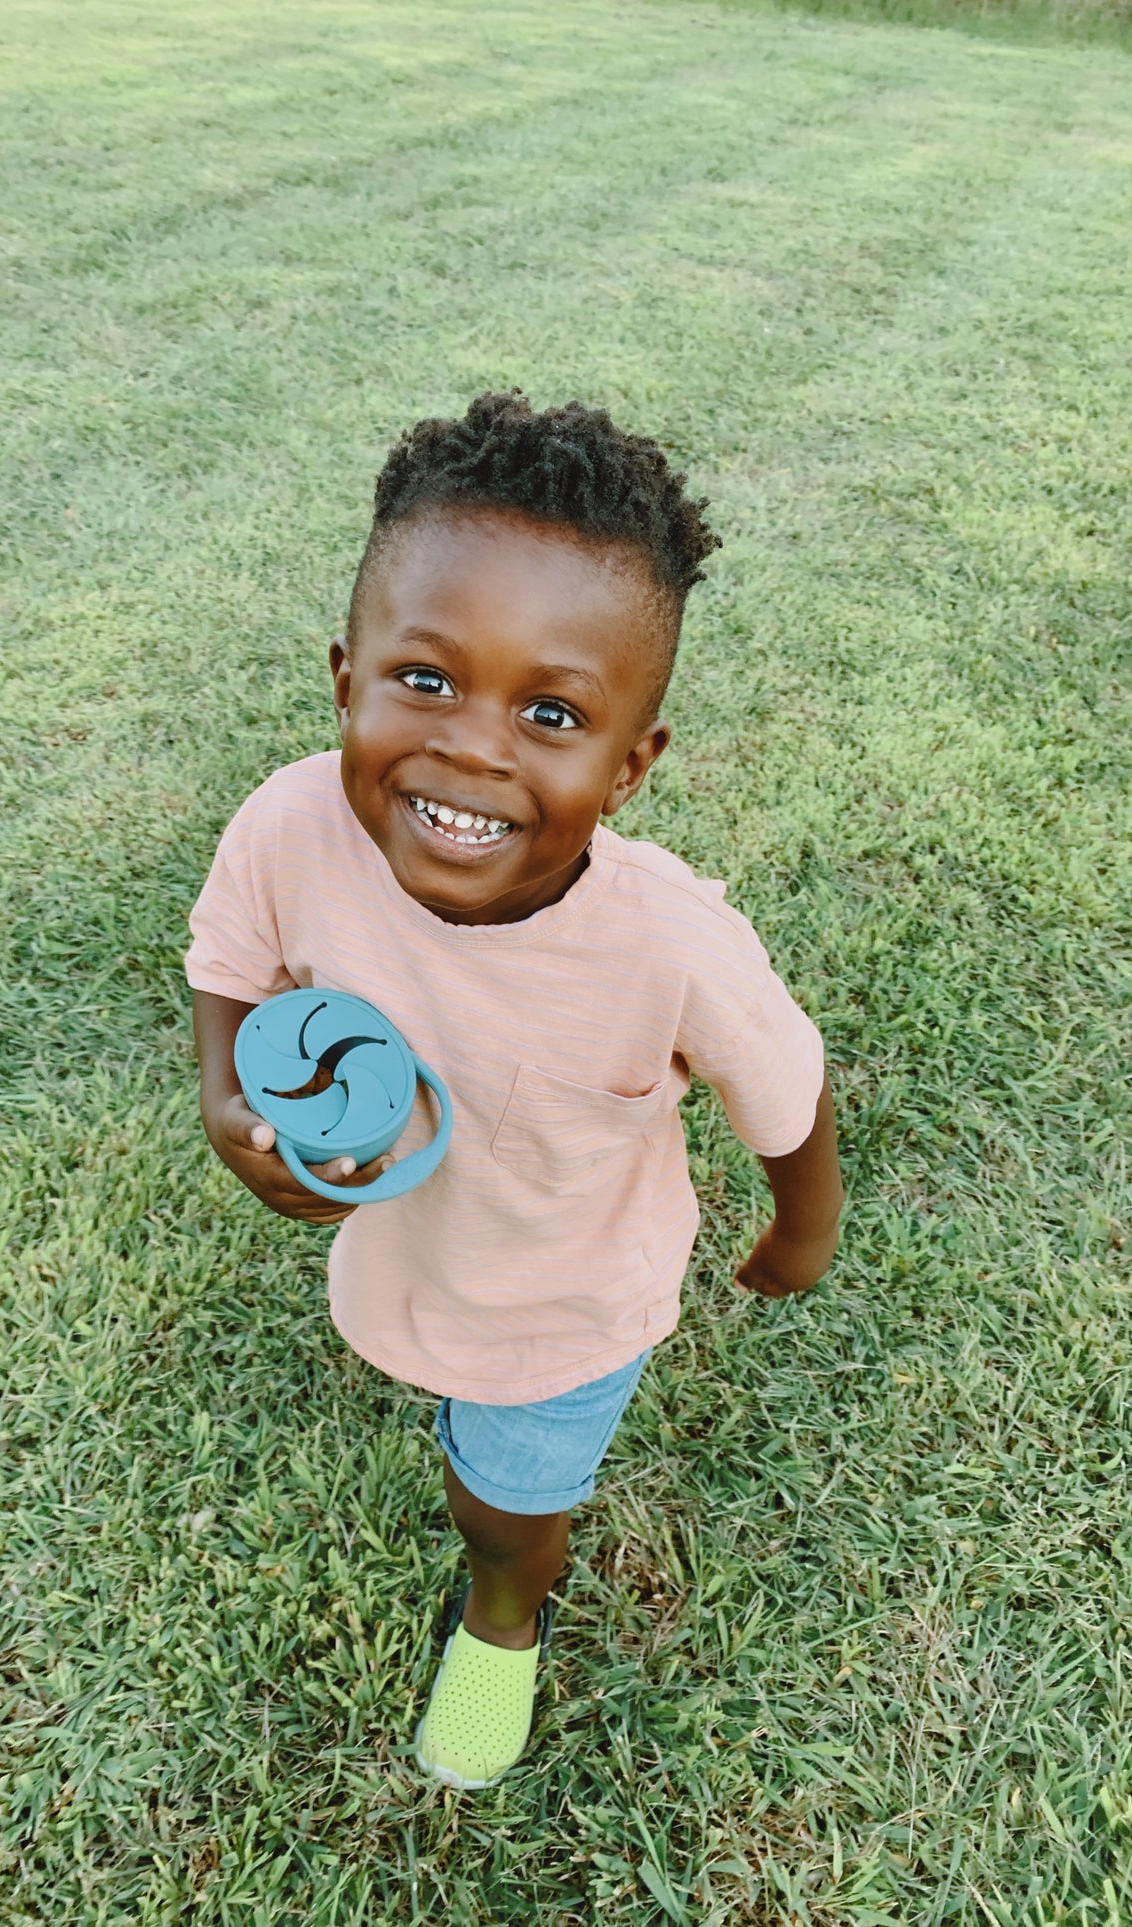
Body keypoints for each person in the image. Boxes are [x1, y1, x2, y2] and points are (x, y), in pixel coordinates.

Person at [186, 391, 843, 1790]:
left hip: (568, 1296)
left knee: (501, 1497)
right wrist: (226, 1104)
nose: (473, 748)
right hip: (408, 1244)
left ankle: (500, 1619)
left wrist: (801, 1227)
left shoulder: (665, 943)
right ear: (343, 676)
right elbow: (230, 965)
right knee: (424, 1357)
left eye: (549, 712)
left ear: (628, 765)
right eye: (424, 679)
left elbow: (785, 1088)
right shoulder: (290, 824)